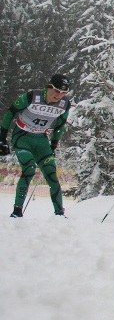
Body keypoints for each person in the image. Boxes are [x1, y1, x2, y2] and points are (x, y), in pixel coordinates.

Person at [1, 74, 72, 218]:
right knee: (29, 168)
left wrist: (53, 144)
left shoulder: (64, 104)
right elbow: (10, 113)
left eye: (64, 93)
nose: (59, 95)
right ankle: (17, 212)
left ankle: (59, 214)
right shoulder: (32, 97)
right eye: (57, 91)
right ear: (49, 87)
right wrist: (2, 139)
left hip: (41, 140)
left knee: (51, 173)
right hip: (22, 137)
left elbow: (60, 125)